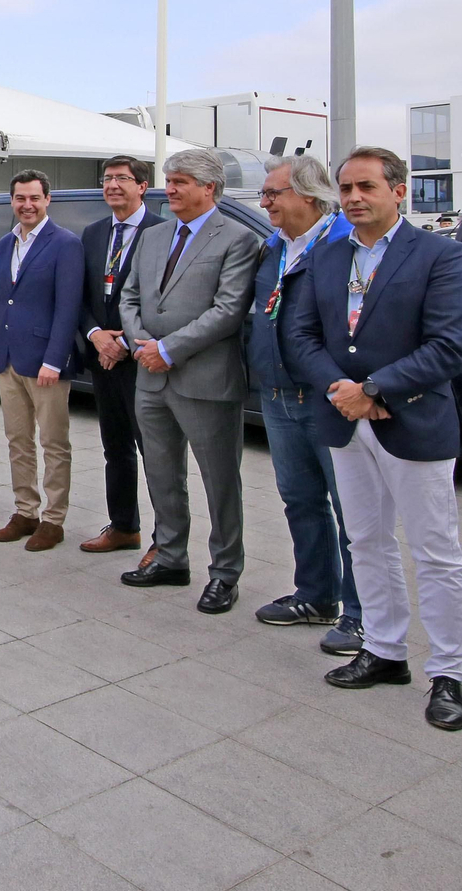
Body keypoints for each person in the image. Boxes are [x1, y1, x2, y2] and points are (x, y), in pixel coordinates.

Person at [289, 146, 462, 732]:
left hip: (412, 421)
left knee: (435, 552)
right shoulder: (327, 257)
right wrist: (343, 391)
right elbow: (299, 335)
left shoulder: (443, 255)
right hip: (345, 423)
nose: (353, 198)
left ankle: (448, 674)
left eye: (366, 187)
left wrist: (374, 388)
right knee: (366, 541)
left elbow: (449, 345)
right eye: (345, 188)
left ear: (400, 191)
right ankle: (386, 651)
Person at [117, 148, 258, 614]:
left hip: (205, 381)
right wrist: (142, 344)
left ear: (209, 188)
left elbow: (228, 310)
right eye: (169, 181)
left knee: (220, 481)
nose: (170, 190)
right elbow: (130, 295)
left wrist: (168, 349)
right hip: (150, 378)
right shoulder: (153, 237)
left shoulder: (237, 239)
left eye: (179, 182)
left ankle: (224, 573)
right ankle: (171, 557)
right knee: (161, 473)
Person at [249, 156, 364, 655]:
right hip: (276, 393)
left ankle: (362, 615)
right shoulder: (273, 247)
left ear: (311, 196)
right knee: (300, 501)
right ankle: (316, 596)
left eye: (275, 193)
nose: (265, 202)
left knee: (353, 512)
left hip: (327, 397)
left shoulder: (344, 244)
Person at [0, 170, 84, 552]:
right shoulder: (6, 243)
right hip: (8, 360)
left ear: (47, 200)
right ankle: (26, 510)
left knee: (54, 443)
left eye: (34, 198)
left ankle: (54, 519)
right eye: (20, 199)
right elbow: (0, 303)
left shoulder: (65, 244)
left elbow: (68, 307)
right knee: (17, 441)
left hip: (46, 364)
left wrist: (55, 360)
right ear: (12, 202)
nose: (27, 205)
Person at [77, 156, 165, 556]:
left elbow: (164, 301)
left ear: (142, 186)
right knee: (115, 448)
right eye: (107, 178)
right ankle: (124, 526)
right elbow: (80, 297)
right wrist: (97, 336)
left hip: (143, 360)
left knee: (156, 451)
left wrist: (126, 343)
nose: (112, 185)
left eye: (122, 179)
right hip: (102, 359)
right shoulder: (93, 234)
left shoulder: (162, 233)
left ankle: (166, 541)